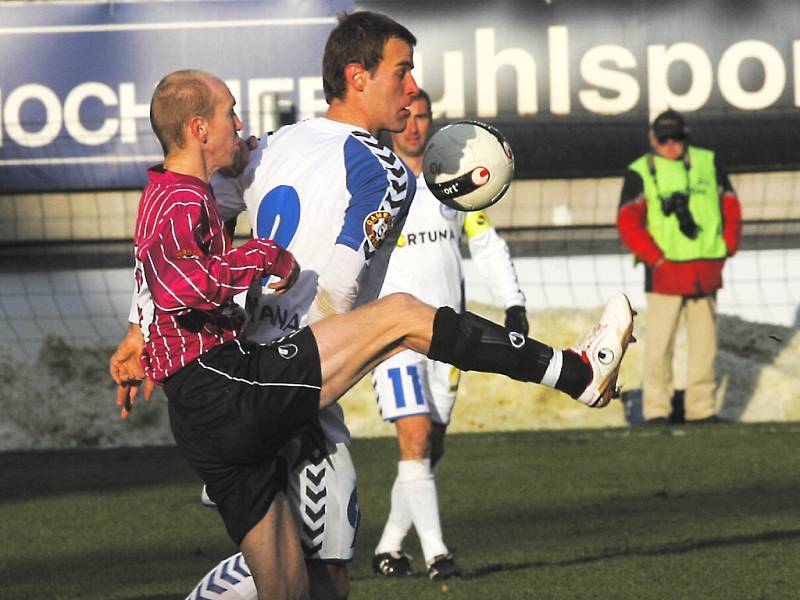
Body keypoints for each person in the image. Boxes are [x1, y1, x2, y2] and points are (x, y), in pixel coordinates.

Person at [117, 64, 633, 600]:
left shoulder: (174, 189)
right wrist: (260, 255)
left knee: (293, 590)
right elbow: (179, 284)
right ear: (200, 129)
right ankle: (575, 372)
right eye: (229, 115)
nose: (241, 125)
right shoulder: (185, 196)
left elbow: (152, 266)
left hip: (209, 404)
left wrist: (140, 333)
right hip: (232, 386)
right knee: (400, 316)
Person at [369, 90, 527, 581]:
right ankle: (439, 555)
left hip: (448, 337)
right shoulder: (375, 183)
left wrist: (514, 303)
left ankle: (390, 547)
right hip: (393, 336)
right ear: (391, 122)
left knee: (429, 449)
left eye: (423, 117)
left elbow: (485, 244)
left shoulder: (451, 183)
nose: (414, 127)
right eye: (406, 117)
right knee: (414, 438)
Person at [617, 109, 741, 425]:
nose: (671, 145)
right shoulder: (640, 170)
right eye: (664, 139)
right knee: (659, 346)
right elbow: (628, 222)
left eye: (677, 138)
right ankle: (657, 410)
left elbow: (730, 205)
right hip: (664, 273)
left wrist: (726, 247)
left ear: (686, 138)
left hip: (705, 271)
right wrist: (655, 258)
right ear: (652, 139)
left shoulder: (707, 161)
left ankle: (702, 409)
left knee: (705, 345)